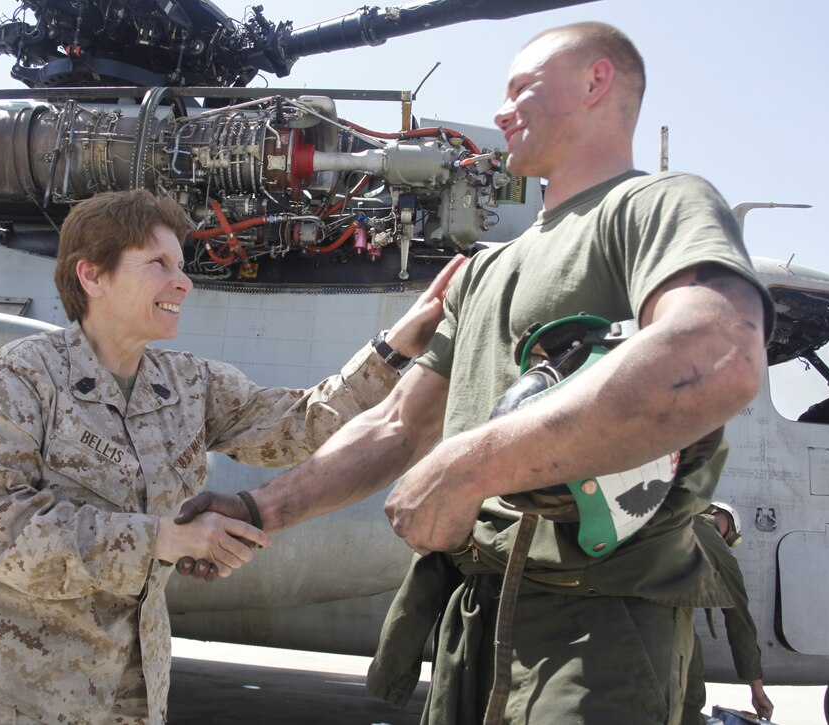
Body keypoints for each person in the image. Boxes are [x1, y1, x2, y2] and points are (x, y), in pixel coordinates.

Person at [176, 21, 774, 725]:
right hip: (474, 619)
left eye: (522, 88)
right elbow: (398, 425)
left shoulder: (656, 206)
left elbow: (722, 353)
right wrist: (257, 510)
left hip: (596, 626)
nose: (499, 112)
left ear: (596, 81)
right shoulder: (485, 268)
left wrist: (471, 465)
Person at [0, 188, 465, 725]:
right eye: (157, 263)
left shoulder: (187, 384)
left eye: (180, 264)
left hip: (132, 690)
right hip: (13, 687)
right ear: (92, 276)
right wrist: (159, 538)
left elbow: (300, 425)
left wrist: (395, 346)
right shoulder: (27, 373)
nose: (182, 281)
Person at [683, 501, 775, 723]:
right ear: (725, 521)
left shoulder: (669, 519)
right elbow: (739, 622)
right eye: (730, 538)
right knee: (689, 697)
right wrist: (757, 690)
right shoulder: (717, 546)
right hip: (657, 621)